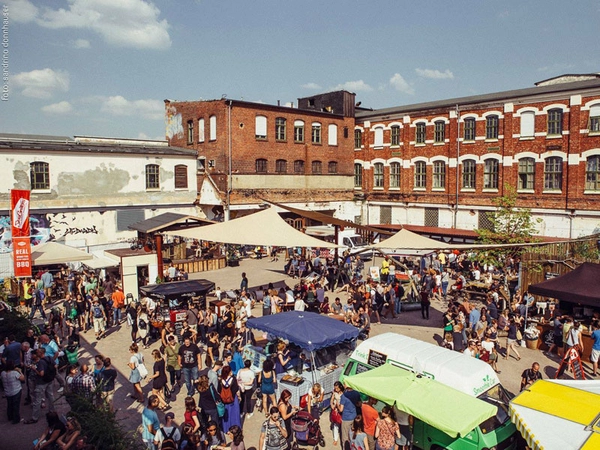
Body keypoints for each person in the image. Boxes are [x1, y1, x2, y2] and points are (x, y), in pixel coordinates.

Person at [219, 365, 242, 431]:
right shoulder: (233, 379)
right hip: (233, 399)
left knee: (226, 415)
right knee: (234, 414)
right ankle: (235, 428)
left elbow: (219, 390)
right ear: (229, 372)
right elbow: (236, 389)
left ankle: (226, 428)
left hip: (224, 400)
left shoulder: (221, 380)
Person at [330, 381, 344, 446]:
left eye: (337, 388)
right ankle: (335, 439)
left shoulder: (344, 393)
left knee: (342, 425)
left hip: (342, 409)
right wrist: (332, 405)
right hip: (336, 410)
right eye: (335, 388)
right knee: (336, 425)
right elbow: (332, 399)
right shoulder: (335, 392)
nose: (336, 389)